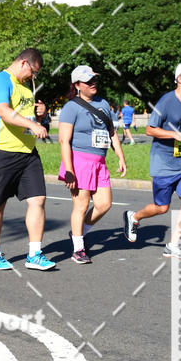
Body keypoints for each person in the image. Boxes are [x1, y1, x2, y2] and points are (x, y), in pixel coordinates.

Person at [123, 61, 181, 258]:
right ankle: (134, 217)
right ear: (180, 79)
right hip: (163, 163)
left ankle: (173, 245)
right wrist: (177, 135)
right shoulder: (166, 101)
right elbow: (149, 129)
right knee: (161, 208)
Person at [0, 48, 55, 272]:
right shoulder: (0, 80)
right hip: (1, 151)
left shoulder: (25, 87)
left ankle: (35, 254)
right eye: (33, 72)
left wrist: (41, 115)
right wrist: (33, 125)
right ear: (24, 63)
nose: (34, 77)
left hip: (27, 153)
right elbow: (4, 112)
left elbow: (26, 115)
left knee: (38, 199)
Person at [58, 65, 127, 264]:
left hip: (99, 162)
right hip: (79, 161)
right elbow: (64, 140)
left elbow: (112, 132)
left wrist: (120, 157)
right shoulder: (71, 107)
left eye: (94, 80)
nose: (93, 83)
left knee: (104, 204)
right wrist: (69, 169)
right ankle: (78, 249)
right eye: (88, 81)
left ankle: (79, 232)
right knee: (81, 206)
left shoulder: (103, 103)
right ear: (77, 85)